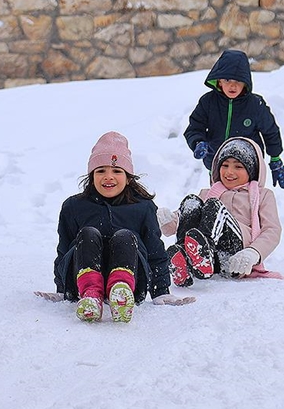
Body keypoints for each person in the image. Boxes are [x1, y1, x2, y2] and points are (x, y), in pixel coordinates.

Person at [34, 131, 195, 323]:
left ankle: (120, 290)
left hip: (132, 284)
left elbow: (155, 251)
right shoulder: (74, 207)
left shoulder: (143, 207)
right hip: (81, 283)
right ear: (91, 175)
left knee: (125, 236)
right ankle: (91, 293)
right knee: (88, 233)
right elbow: (64, 250)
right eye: (101, 170)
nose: (108, 177)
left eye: (117, 171)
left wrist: (161, 291)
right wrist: (62, 288)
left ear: (128, 177)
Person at [157, 137, 283, 287]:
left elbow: (272, 230)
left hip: (236, 258)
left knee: (214, 206)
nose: (229, 172)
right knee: (191, 202)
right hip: (210, 264)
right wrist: (168, 221)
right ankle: (185, 259)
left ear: (252, 170)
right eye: (225, 165)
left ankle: (204, 253)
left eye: (238, 167)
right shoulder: (207, 193)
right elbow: (182, 219)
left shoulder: (262, 195)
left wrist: (253, 252)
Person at [184, 49, 284, 189]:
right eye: (227, 80)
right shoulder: (208, 102)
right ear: (219, 81)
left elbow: (270, 131)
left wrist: (275, 158)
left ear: (245, 82)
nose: (232, 85)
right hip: (218, 166)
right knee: (220, 202)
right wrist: (198, 142)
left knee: (246, 203)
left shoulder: (255, 105)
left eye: (238, 81)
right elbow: (194, 128)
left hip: (248, 168)